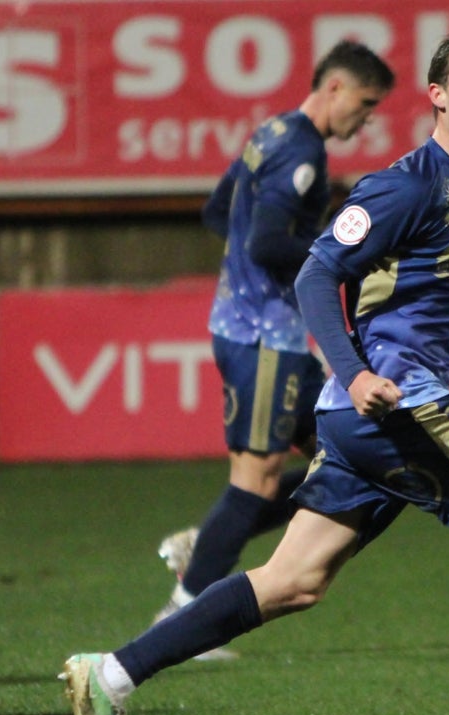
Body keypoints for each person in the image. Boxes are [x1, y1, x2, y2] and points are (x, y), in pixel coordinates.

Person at [61, 30, 449, 715]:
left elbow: (423, 295)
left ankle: (114, 675)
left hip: (362, 418)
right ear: (437, 95)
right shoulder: (404, 186)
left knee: (294, 581)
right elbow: (317, 276)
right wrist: (355, 372)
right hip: (394, 408)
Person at [150, 41, 397, 659]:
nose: (365, 120)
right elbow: (266, 244)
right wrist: (341, 257)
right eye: (365, 105)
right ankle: (182, 613)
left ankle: (209, 540)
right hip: (262, 339)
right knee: (259, 480)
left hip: (262, 330)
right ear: (336, 88)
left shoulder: (271, 132)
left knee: (357, 457)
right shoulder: (302, 149)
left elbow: (218, 210)